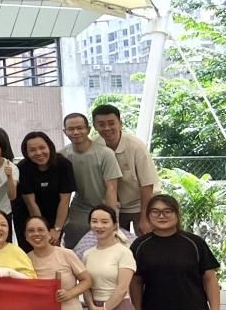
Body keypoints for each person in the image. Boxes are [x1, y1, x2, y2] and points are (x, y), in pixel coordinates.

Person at [92, 104, 159, 233]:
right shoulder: (93, 145)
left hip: (140, 204)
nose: (107, 128)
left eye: (111, 123)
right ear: (95, 126)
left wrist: (145, 218)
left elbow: (147, 185)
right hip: (112, 206)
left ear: (120, 123)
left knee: (145, 237)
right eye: (101, 124)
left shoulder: (136, 146)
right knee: (116, 240)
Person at [60, 112, 120, 248]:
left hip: (104, 204)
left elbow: (111, 188)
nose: (76, 132)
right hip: (79, 206)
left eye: (80, 128)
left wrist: (110, 217)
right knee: (73, 242)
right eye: (71, 129)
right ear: (65, 132)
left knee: (106, 244)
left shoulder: (105, 154)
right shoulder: (62, 155)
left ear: (88, 129)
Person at [16, 130, 75, 245]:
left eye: (42, 148)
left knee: (54, 245)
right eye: (32, 150)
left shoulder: (63, 164)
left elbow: (64, 201)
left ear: (50, 147)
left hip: (56, 212)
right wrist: (41, 230)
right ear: (26, 153)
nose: (38, 153)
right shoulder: (23, 168)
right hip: (28, 214)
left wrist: (57, 229)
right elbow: (30, 202)